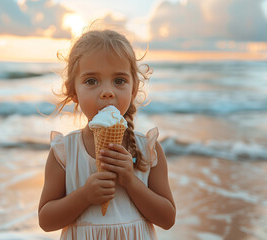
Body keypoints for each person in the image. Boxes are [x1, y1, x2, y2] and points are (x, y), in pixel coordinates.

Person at [38, 27, 175, 239]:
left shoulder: (148, 149)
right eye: (91, 81)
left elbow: (167, 218)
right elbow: (46, 220)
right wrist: (84, 196)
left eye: (119, 80)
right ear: (73, 91)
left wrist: (131, 181)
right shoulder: (65, 152)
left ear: (133, 88)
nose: (107, 91)